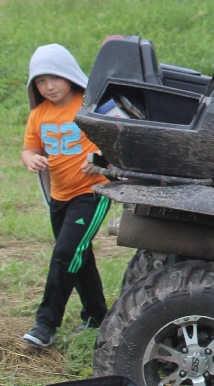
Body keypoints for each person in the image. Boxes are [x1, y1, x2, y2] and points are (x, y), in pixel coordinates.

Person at [20, 44, 110, 348]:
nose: (48, 87)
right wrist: (30, 158)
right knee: (78, 255)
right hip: (59, 197)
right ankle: (97, 316)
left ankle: (46, 324)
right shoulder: (38, 115)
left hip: (91, 193)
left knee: (64, 253)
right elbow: (30, 148)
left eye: (54, 78)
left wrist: (100, 158)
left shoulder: (90, 106)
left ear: (69, 74)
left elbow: (118, 139)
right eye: (41, 82)